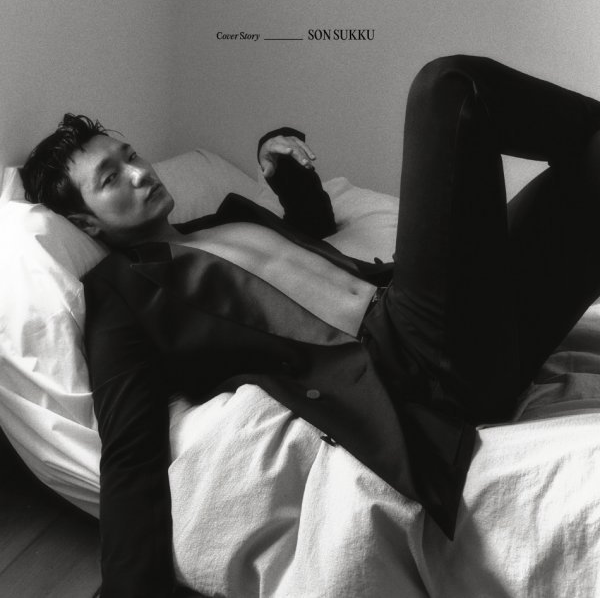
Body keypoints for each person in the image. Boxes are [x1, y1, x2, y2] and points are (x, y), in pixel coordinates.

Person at [21, 55, 600, 598]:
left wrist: (282, 166)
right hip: (408, 363)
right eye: (111, 178)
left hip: (467, 333)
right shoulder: (121, 295)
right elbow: (129, 453)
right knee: (447, 89)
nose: (138, 172)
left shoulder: (222, 217)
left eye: (131, 155)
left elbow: (314, 227)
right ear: (85, 224)